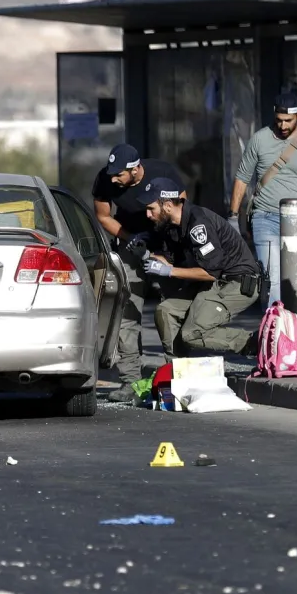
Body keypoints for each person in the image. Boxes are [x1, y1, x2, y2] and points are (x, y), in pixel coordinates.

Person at [90, 143, 185, 402]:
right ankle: (130, 381)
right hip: (131, 244)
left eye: (119, 174)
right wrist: (130, 237)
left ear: (135, 169)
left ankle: (178, 376)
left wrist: (169, 244)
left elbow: (182, 207)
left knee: (172, 310)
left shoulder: (162, 172)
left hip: (166, 244)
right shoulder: (105, 179)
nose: (113, 178)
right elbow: (104, 216)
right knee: (127, 312)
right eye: (111, 173)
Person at [229, 90, 297, 306]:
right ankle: (275, 326)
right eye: (279, 120)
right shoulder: (259, 139)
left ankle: (294, 325)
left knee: (294, 283)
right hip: (264, 218)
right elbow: (242, 178)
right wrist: (233, 216)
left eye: (288, 120)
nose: (283, 125)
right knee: (272, 283)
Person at [140, 176, 262, 361]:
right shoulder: (171, 226)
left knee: (192, 333)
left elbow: (210, 273)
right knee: (165, 311)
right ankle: (179, 369)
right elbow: (170, 261)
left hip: (237, 282)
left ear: (168, 206)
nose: (148, 215)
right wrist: (145, 254)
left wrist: (169, 272)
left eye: (151, 208)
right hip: (212, 282)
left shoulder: (198, 224)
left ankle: (254, 343)